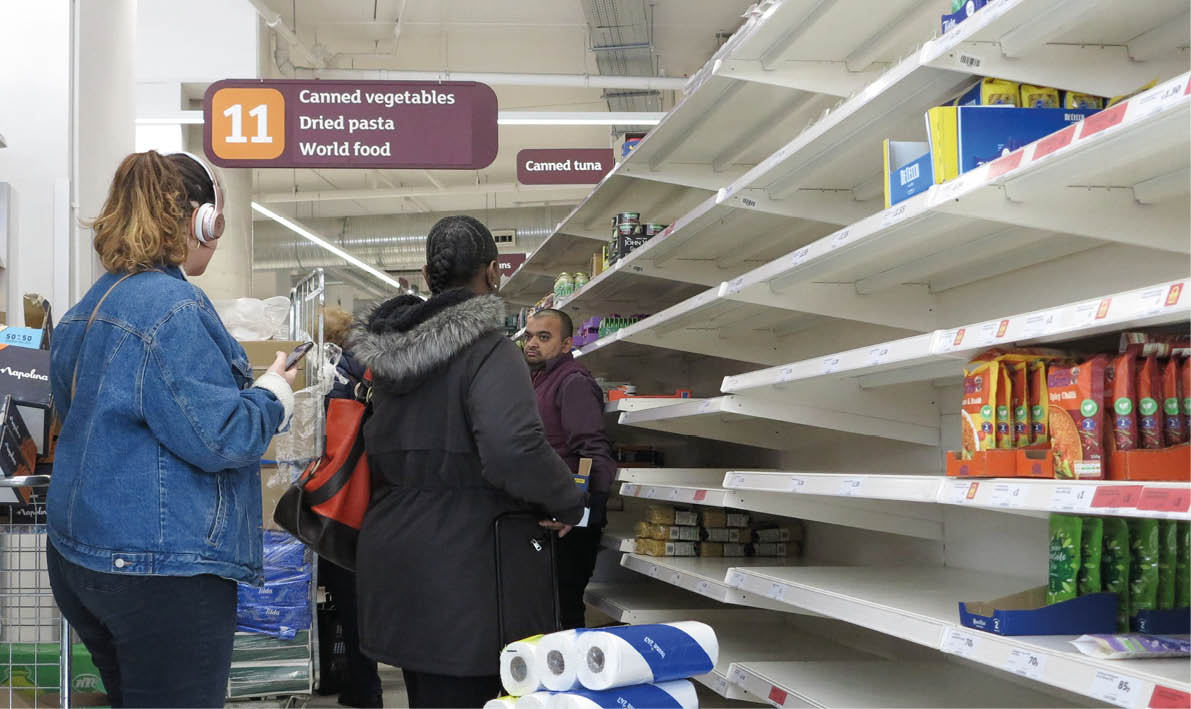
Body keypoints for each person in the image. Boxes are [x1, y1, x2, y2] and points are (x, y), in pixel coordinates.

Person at [46, 150, 296, 708]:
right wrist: (274, 392)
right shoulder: (174, 307)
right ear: (201, 220)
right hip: (160, 571)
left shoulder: (87, 308)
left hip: (81, 558)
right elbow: (222, 438)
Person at [353, 215, 587, 709]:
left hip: (395, 553)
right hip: (470, 565)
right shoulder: (488, 350)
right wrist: (567, 500)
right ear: (494, 271)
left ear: (425, 274)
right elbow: (513, 448)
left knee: (428, 695)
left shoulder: (391, 356)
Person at [523, 309, 616, 629]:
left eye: (543, 337)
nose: (532, 343)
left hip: (568, 524)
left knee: (562, 614)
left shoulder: (572, 382)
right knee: (543, 612)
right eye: (529, 336)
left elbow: (591, 452)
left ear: (566, 344)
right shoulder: (539, 379)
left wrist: (581, 511)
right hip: (549, 518)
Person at [317, 306, 383, 709]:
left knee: (348, 593)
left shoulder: (339, 372)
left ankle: (365, 686)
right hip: (369, 492)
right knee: (355, 595)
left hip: (341, 494)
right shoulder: (369, 369)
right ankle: (363, 683)